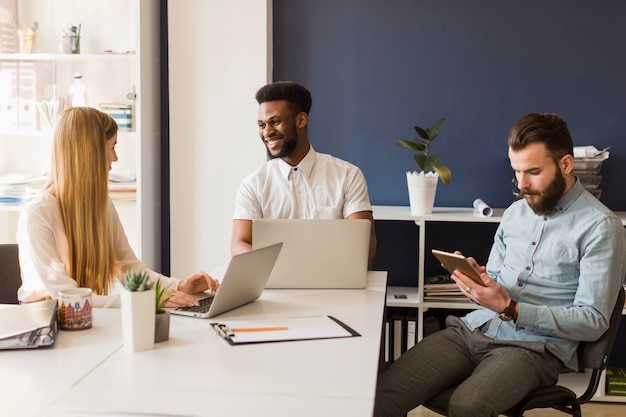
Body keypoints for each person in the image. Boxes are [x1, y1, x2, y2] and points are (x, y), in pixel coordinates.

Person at [374, 113, 626, 417]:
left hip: (535, 349)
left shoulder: (601, 227)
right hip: (474, 330)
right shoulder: (515, 214)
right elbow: (494, 281)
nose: (523, 185)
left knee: (468, 405)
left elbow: (593, 319)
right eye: (516, 172)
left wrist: (512, 309)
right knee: (383, 394)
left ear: (566, 165)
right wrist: (478, 283)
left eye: (533, 172)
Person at [17, 107, 219, 308]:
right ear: (91, 152)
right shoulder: (37, 213)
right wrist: (151, 301)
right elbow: (68, 298)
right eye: (112, 147)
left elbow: (129, 268)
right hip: (44, 321)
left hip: (84, 321)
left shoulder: (101, 204)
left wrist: (181, 286)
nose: (115, 158)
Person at [231, 81, 377, 259]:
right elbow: (239, 245)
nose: (267, 132)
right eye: (262, 125)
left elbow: (364, 246)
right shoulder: (253, 184)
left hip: (333, 282)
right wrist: (285, 261)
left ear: (301, 120)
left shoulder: (348, 175)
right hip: (275, 282)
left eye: (275, 122)